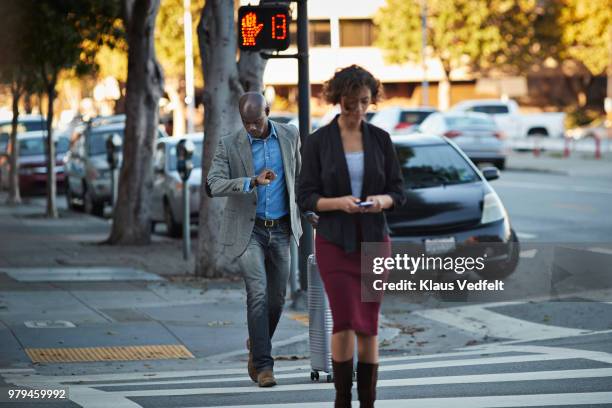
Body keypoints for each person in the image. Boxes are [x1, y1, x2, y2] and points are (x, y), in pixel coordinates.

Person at [298, 65, 406, 407]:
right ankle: (342, 400)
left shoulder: (381, 140)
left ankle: (368, 403)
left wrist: (380, 201)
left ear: (371, 100)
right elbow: (306, 196)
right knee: (344, 320)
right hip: (334, 241)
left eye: (364, 102)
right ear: (337, 100)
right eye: (350, 103)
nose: (358, 110)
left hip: (374, 240)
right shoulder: (319, 142)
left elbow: (398, 192)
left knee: (368, 324)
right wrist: (338, 204)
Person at [207, 92, 302, 387]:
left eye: (256, 121)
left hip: (282, 228)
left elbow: (298, 178)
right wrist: (250, 182)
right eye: (246, 122)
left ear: (268, 112)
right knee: (258, 292)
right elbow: (213, 184)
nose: (251, 128)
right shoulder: (229, 144)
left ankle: (257, 343)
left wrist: (308, 210)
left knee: (277, 298)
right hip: (250, 231)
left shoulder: (289, 136)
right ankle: (263, 366)